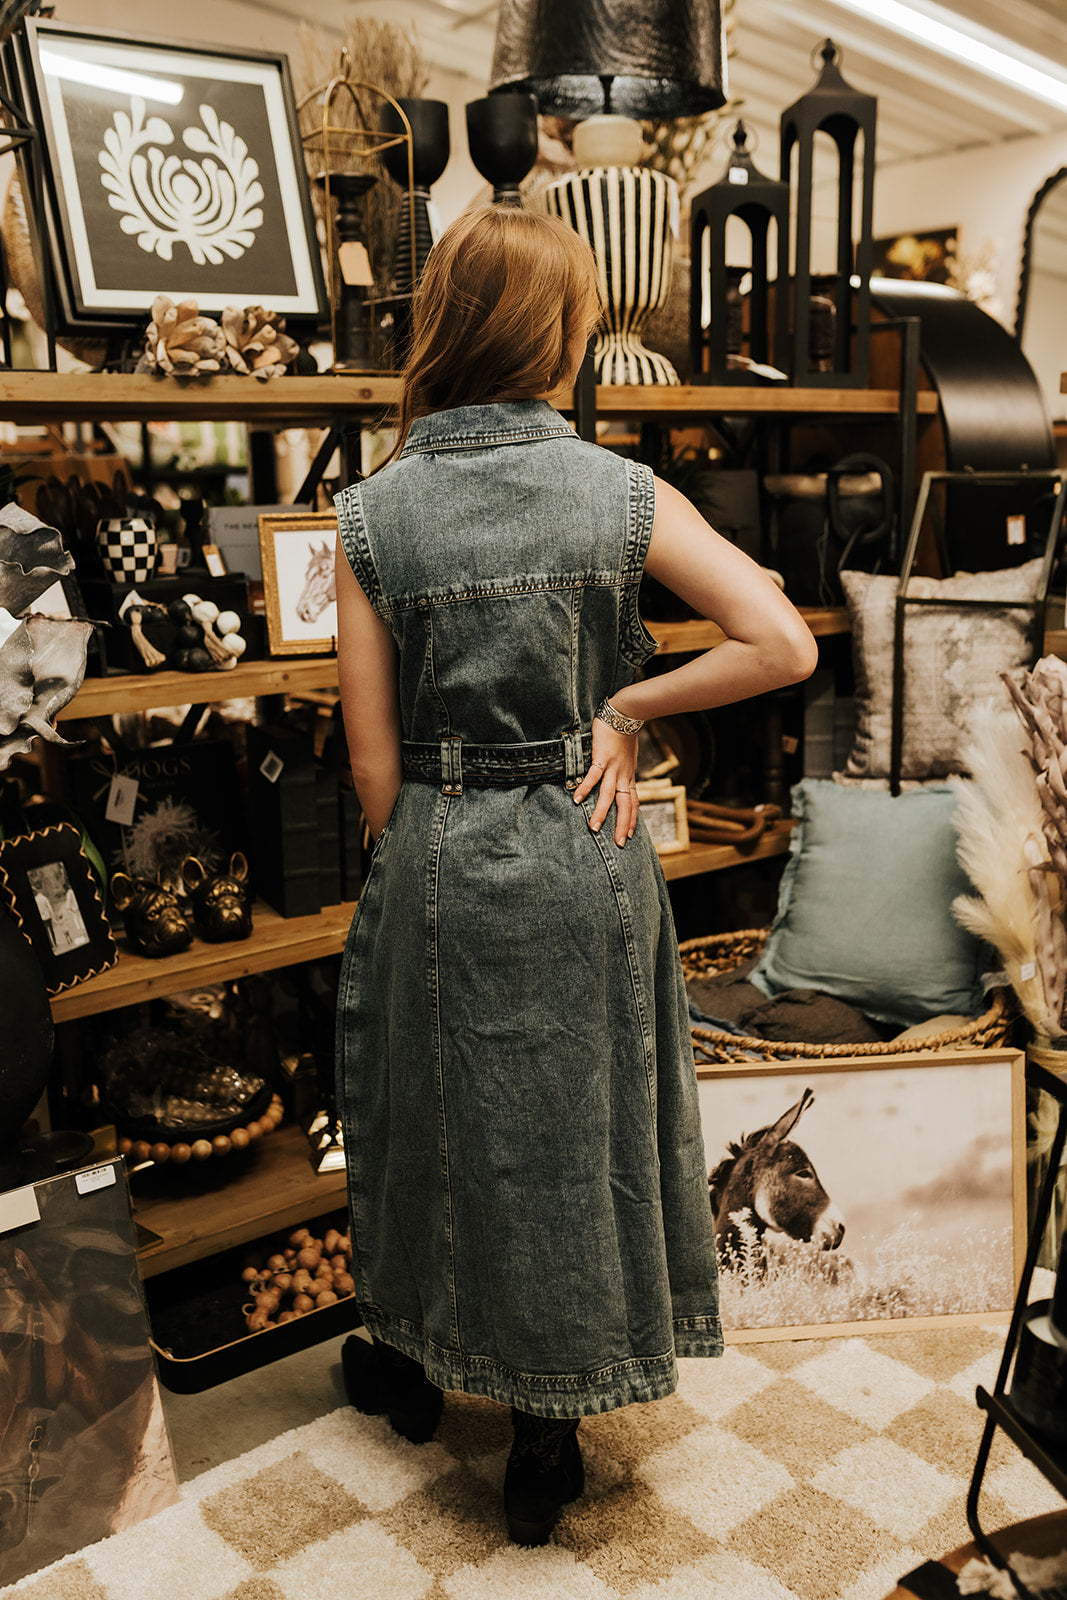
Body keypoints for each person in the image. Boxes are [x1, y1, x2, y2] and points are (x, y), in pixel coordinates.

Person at [333, 205, 818, 1547]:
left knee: (425, 1122)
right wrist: (626, 709)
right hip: (584, 850)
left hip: (438, 851)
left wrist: (431, 845)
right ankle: (547, 1437)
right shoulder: (620, 493)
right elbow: (782, 643)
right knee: (576, 1137)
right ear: (562, 335)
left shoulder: (372, 513)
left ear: (445, 327)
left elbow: (371, 769)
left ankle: (412, 1367)